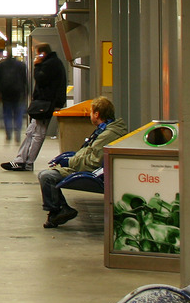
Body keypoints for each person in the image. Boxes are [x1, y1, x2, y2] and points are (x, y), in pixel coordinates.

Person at [37, 96, 128, 228]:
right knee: (47, 175)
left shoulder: (108, 134)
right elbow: (89, 152)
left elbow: (93, 161)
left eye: (91, 112)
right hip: (86, 167)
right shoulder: (106, 130)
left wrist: (69, 162)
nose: (90, 115)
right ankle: (58, 211)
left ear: (97, 114)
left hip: (91, 172)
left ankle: (58, 211)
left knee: (46, 177)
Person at [0, 42, 66, 171]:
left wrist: (37, 65)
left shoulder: (49, 64)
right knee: (31, 132)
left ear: (43, 53)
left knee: (38, 134)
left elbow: (40, 78)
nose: (36, 57)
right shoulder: (53, 62)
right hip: (44, 103)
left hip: (45, 104)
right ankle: (20, 160)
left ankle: (27, 162)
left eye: (37, 54)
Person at [0, 54, 29, 142]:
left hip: (5, 93)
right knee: (18, 114)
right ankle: (18, 134)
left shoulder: (1, 65)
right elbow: (25, 80)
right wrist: (27, 92)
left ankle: (8, 134)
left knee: (7, 114)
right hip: (18, 92)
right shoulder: (21, 65)